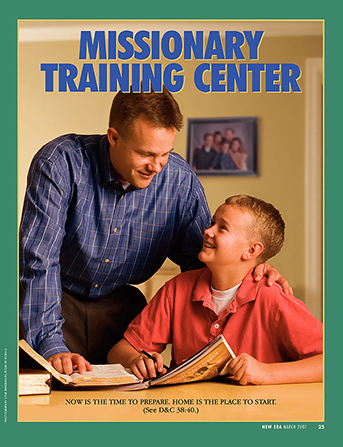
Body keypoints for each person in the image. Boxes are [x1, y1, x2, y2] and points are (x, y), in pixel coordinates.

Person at [19, 87, 291, 375]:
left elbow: (205, 264)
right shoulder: (60, 163)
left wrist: (252, 273)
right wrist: (51, 345)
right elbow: (39, 260)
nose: (158, 167)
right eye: (146, 154)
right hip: (52, 303)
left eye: (166, 154)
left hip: (123, 316)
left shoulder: (180, 182)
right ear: (114, 137)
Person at [108, 195, 323, 386]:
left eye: (223, 228)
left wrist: (267, 373)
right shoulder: (177, 288)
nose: (207, 231)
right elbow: (120, 351)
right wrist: (135, 360)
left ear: (251, 250)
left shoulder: (271, 297)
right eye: (212, 223)